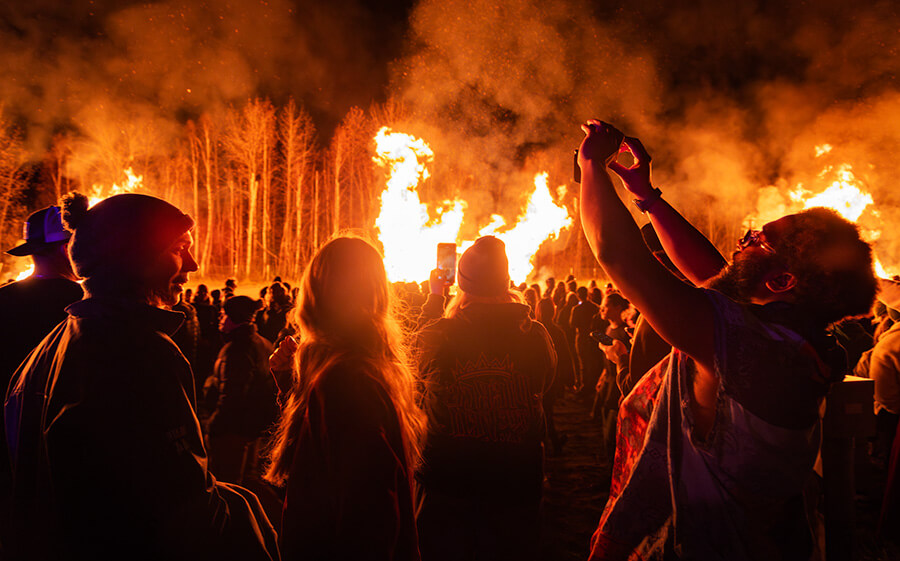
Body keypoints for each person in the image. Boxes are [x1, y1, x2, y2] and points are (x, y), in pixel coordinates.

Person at [577, 121, 877, 560]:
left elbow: (616, 254)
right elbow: (715, 275)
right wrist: (647, 197)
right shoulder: (792, 341)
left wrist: (590, 166)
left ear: (781, 280)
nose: (744, 238)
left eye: (758, 239)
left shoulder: (751, 348)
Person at [4, 192, 278, 561]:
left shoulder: (54, 348)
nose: (193, 265)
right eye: (179, 248)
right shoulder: (137, 351)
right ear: (134, 257)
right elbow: (182, 506)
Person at [263, 236, 425, 561]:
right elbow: (324, 453)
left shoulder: (345, 381)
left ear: (316, 292)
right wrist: (292, 385)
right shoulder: (356, 368)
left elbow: (371, 510)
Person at [415, 236, 556, 561]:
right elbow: (545, 383)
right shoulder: (534, 335)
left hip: (448, 482)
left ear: (462, 285)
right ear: (505, 282)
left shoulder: (441, 334)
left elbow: (416, 364)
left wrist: (435, 300)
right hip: (515, 482)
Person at [0, 205, 84, 553]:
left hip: (8, 432)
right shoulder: (84, 304)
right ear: (65, 247)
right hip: (66, 439)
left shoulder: (3, 298)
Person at [207, 296, 276, 485]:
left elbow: (231, 396)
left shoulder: (237, 351)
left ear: (235, 318)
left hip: (233, 432)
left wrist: (214, 426)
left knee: (228, 485)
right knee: (247, 482)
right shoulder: (263, 343)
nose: (221, 319)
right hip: (252, 429)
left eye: (224, 315)